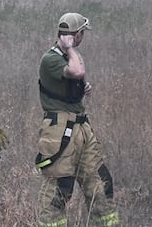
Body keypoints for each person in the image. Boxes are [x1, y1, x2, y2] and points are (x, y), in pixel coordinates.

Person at [34, 12, 119, 227]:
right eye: (81, 34)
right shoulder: (51, 58)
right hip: (59, 132)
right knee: (58, 190)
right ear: (75, 35)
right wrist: (70, 47)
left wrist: (83, 88)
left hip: (81, 128)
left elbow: (76, 77)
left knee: (100, 183)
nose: (82, 38)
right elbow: (77, 72)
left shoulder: (69, 57)